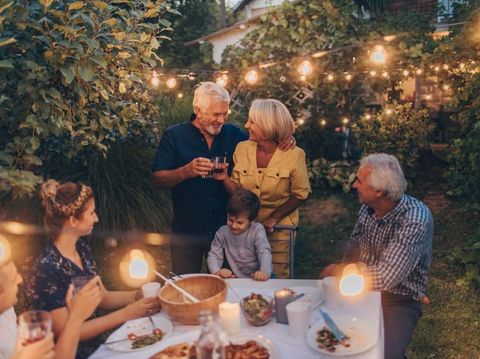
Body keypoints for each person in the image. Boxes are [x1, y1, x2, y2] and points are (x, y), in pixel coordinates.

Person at [152, 82, 294, 274]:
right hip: (187, 232)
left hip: (229, 230)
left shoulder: (234, 135)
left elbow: (263, 137)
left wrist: (285, 138)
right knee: (185, 286)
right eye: (216, 114)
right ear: (198, 110)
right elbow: (158, 179)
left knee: (229, 286)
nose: (221, 120)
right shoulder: (174, 136)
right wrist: (186, 171)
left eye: (224, 114)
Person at [26, 180, 160, 358]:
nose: (96, 218)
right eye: (91, 213)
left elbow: (102, 297)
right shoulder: (45, 269)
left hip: (99, 346)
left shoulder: (81, 248)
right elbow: (71, 331)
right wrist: (127, 313)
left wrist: (138, 295)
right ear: (73, 220)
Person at [319, 153, 433, 359]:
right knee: (326, 334)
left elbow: (386, 277)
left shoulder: (415, 218)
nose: (354, 185)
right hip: (360, 288)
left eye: (359, 181)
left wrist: (338, 272)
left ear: (379, 191)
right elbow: (354, 246)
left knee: (382, 354)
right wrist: (346, 271)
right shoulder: (368, 208)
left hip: (398, 299)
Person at [222, 99, 311, 278]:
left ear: (267, 126)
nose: (247, 125)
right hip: (245, 228)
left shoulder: (294, 155)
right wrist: (224, 178)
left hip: (278, 231)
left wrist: (274, 218)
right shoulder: (242, 148)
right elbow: (238, 191)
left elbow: (301, 194)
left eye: (252, 122)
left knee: (276, 278)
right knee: (246, 276)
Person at [0, 243, 101, 359]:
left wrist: (75, 318)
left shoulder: (5, 312)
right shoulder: (47, 265)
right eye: (13, 280)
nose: (20, 279)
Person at [207, 188, 272, 281]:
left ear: (252, 221)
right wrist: (217, 271)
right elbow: (214, 255)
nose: (233, 225)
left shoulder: (257, 230)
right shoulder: (222, 232)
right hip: (238, 279)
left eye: (240, 223)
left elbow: (264, 252)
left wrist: (264, 271)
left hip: (259, 277)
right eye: (230, 220)